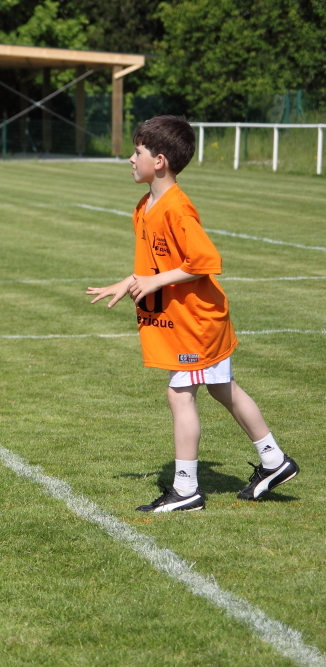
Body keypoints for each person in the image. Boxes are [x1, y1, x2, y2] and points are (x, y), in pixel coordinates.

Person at [87, 115, 299, 512]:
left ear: (160, 161)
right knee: (222, 388)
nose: (131, 158)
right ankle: (274, 461)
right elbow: (159, 264)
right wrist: (128, 281)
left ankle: (186, 490)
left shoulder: (177, 209)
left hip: (198, 323)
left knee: (179, 394)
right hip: (189, 322)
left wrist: (153, 282)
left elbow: (204, 261)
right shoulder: (145, 206)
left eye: (137, 151)